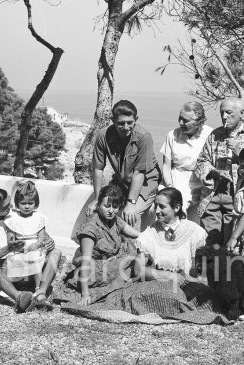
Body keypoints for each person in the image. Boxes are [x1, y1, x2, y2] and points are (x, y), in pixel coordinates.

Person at [60, 188, 230, 324]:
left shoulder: (194, 231)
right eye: (155, 205)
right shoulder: (149, 234)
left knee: (209, 297)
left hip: (189, 282)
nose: (156, 211)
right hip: (158, 282)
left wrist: (193, 279)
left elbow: (203, 268)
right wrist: (169, 275)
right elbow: (139, 270)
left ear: (177, 208)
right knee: (168, 296)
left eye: (162, 206)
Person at [0, 187, 62, 312]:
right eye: (5, 207)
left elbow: (37, 232)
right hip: (0, 271)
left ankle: (41, 293)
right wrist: (7, 249)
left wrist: (48, 241)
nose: (11, 207)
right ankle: (18, 297)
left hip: (24, 264)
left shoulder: (15, 213)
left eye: (10, 203)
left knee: (56, 253)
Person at [196, 97, 244, 246]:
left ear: (241, 113)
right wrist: (213, 172)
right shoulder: (215, 134)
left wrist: (239, 153)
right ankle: (208, 269)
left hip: (238, 198)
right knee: (210, 243)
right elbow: (201, 161)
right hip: (213, 195)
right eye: (222, 112)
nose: (224, 117)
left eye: (229, 113)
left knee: (231, 244)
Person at [87, 100, 161, 228]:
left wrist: (131, 203)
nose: (126, 127)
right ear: (113, 120)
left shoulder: (144, 137)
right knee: (101, 210)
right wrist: (97, 199)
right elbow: (98, 168)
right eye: (121, 123)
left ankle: (131, 247)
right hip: (121, 182)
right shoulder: (103, 135)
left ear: (135, 119)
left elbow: (139, 173)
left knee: (131, 215)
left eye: (130, 123)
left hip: (145, 183)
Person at [63, 184, 140, 305]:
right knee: (128, 260)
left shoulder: (114, 220)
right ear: (98, 205)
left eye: (115, 207)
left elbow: (136, 234)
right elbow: (85, 261)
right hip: (92, 270)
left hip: (110, 261)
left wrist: (154, 236)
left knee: (133, 248)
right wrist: (85, 294)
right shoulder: (91, 227)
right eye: (106, 206)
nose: (111, 211)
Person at [160, 101, 213, 221]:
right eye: (180, 118)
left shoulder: (210, 134)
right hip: (177, 177)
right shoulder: (172, 135)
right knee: (174, 206)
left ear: (199, 122)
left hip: (201, 179)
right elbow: (166, 166)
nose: (181, 123)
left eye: (186, 120)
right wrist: (169, 186)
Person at [5, 181, 47, 304]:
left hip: (34, 246)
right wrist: (16, 245)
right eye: (23, 203)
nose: (27, 206)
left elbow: (41, 237)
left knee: (35, 258)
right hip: (20, 246)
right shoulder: (13, 219)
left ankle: (37, 288)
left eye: (30, 203)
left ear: (36, 203)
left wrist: (37, 244)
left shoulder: (39, 218)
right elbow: (10, 237)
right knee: (14, 259)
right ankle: (10, 288)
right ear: (17, 203)